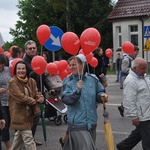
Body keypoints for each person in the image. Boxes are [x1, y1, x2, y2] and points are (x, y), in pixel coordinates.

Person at [61, 55, 108, 150]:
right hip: (77, 124)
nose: (71, 67)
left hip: (91, 122)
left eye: (74, 64)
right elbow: (67, 100)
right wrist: (77, 90)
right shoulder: (67, 82)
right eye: (70, 65)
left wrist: (102, 96)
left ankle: (64, 141)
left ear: (82, 65)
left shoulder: (92, 79)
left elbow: (99, 92)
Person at [23, 40, 54, 146]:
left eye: (34, 48)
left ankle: (30, 139)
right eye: (30, 48)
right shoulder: (24, 62)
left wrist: (50, 88)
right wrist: (35, 71)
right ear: (26, 50)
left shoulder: (39, 59)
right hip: (28, 94)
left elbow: (43, 76)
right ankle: (27, 140)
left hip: (39, 93)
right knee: (28, 119)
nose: (32, 50)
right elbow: (24, 78)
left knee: (36, 118)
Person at [9, 61, 44, 150]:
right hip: (19, 116)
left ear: (27, 70)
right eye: (19, 69)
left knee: (18, 139)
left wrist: (40, 97)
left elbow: (36, 93)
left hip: (30, 115)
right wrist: (36, 101)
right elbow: (21, 98)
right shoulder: (13, 82)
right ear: (15, 71)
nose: (21, 71)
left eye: (23, 68)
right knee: (29, 140)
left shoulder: (31, 81)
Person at [116, 57, 150, 150]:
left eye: (146, 68)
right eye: (143, 68)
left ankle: (123, 146)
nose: (145, 70)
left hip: (147, 112)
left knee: (139, 133)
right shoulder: (130, 81)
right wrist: (134, 116)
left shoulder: (144, 77)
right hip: (142, 115)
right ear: (135, 68)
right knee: (148, 139)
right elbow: (129, 100)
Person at [118, 45, 139, 117]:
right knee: (129, 94)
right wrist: (133, 70)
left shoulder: (133, 59)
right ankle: (123, 107)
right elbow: (123, 69)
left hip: (132, 78)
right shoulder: (126, 59)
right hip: (126, 79)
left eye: (137, 52)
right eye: (136, 52)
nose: (137, 53)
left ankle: (124, 107)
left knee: (133, 94)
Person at [0, 54, 12, 150]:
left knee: (14, 121)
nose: (0, 65)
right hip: (1, 102)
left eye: (2, 63)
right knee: (5, 124)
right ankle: (8, 146)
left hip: (11, 100)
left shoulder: (8, 69)